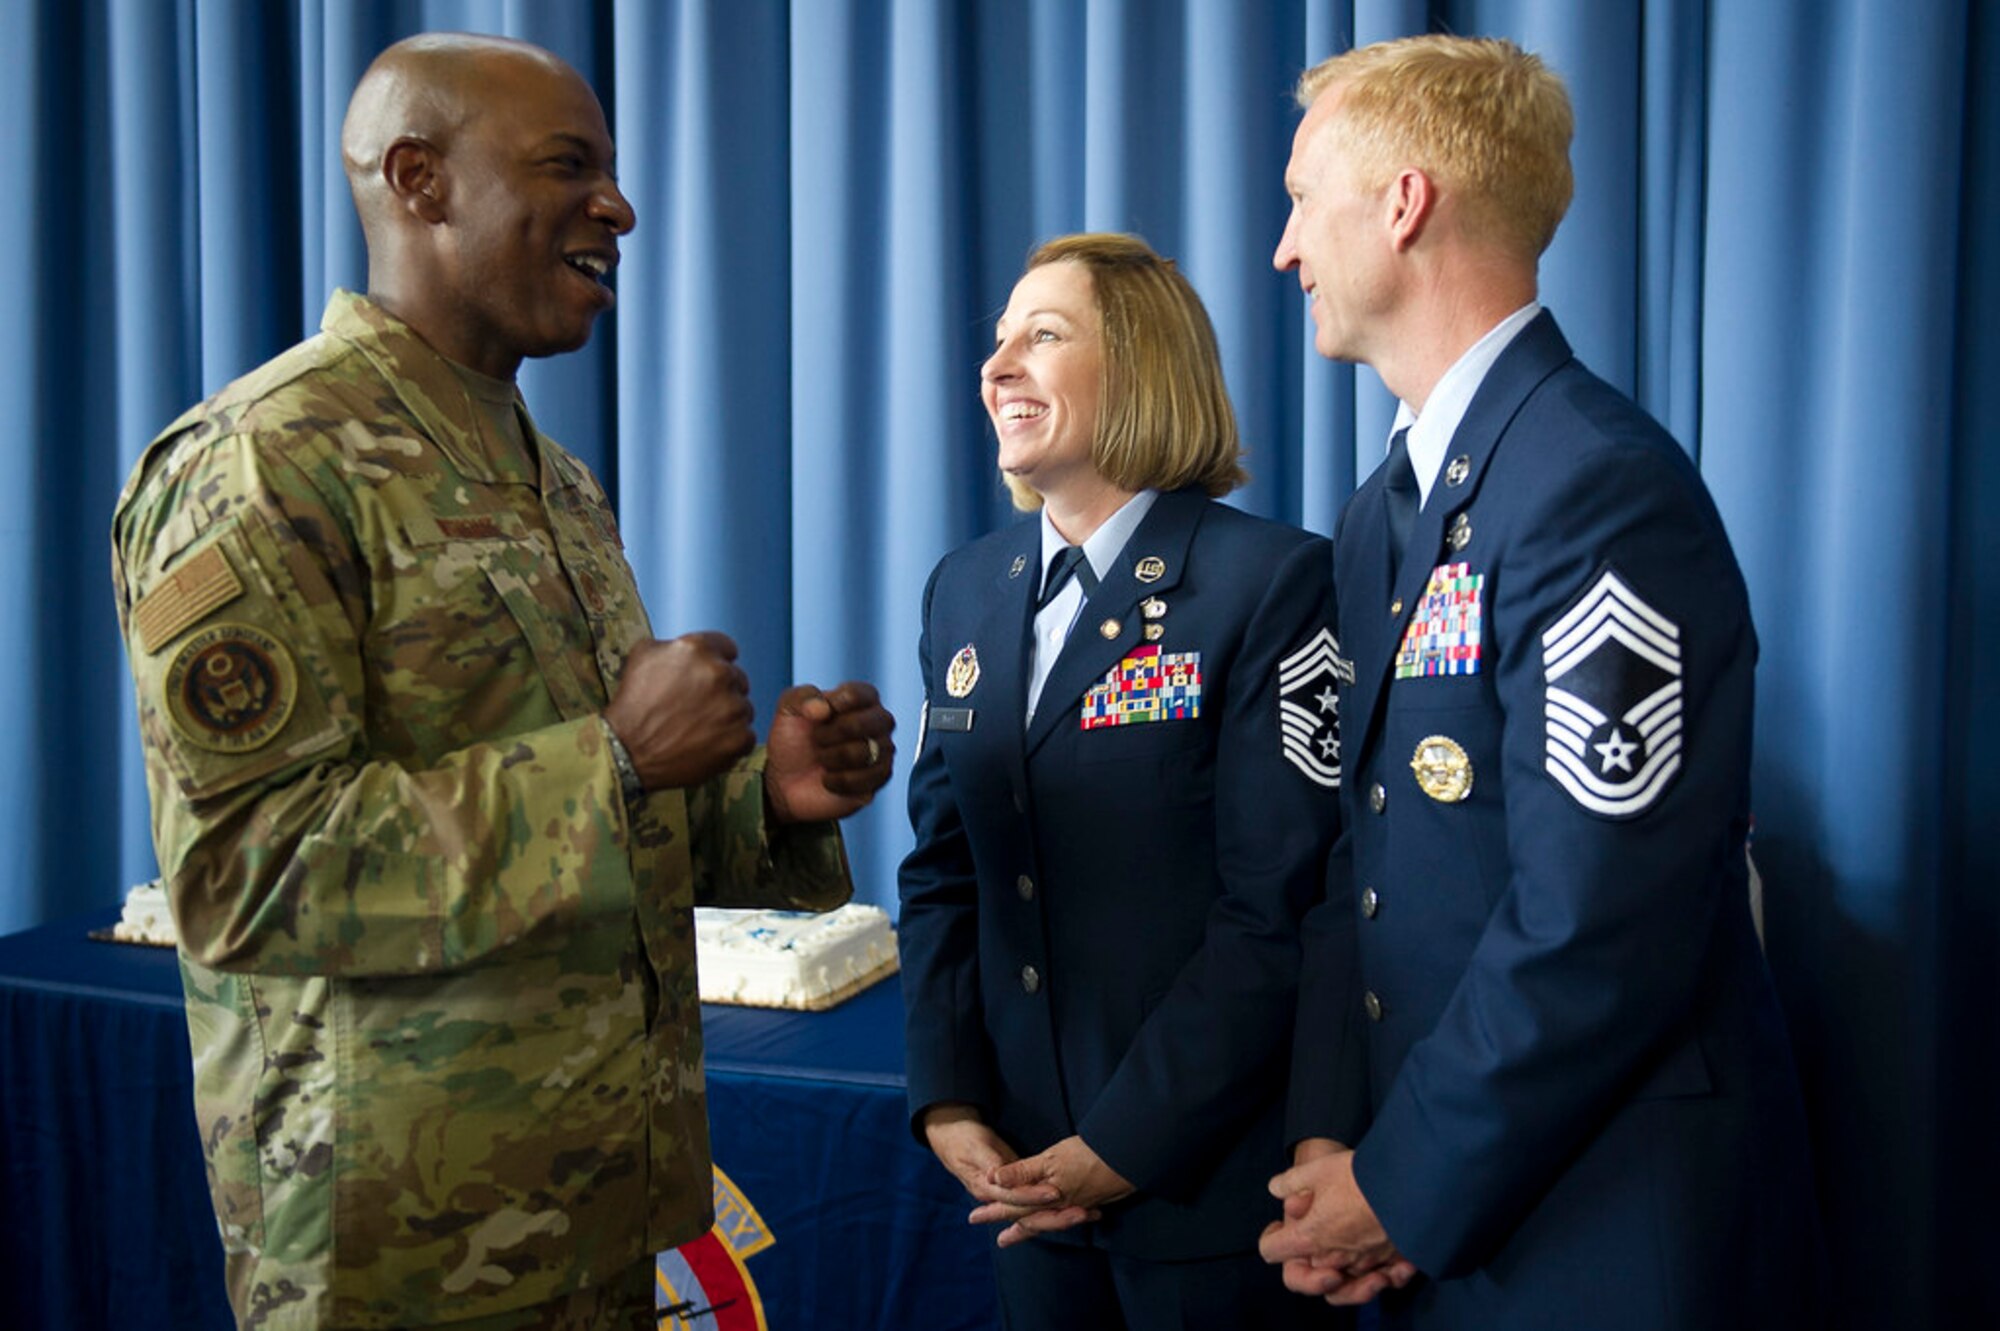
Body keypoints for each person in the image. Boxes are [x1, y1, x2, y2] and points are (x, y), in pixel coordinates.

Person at [109, 32, 894, 1331]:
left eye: (613, 170)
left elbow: (585, 842)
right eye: (568, 167)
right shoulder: (263, 465)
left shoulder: (551, 479)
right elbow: (249, 873)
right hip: (391, 1253)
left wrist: (767, 802)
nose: (619, 205)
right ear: (418, 180)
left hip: (594, 1206)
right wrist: (621, 758)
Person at [1261, 35, 1827, 1328]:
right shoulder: (1377, 518)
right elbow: (1366, 870)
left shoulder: (1592, 483)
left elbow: (1599, 916)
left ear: (1404, 204)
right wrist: (1328, 1154)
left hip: (1598, 1227)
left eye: (1301, 200)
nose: (1285, 250)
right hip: (1442, 1209)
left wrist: (1396, 1186)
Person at [899, 232, 1361, 1329]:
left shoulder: (1270, 581)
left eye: (1041, 335)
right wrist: (947, 1098)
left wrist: (1120, 1144)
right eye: (997, 339)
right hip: (1021, 1186)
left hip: (1201, 1193)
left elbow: (1280, 906)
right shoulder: (964, 589)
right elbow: (941, 873)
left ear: (1143, 366)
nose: (996, 364)